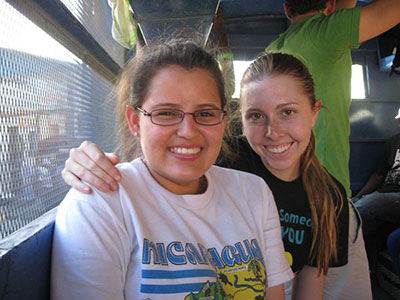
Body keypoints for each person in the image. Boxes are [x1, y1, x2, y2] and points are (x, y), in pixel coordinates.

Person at [60, 52, 351, 299]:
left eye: (287, 112)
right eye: (256, 116)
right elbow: (160, 160)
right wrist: (89, 164)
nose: (272, 132)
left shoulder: (312, 195)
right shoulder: (224, 156)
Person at [267, 0, 400, 198]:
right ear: (330, 6)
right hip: (325, 187)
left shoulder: (275, 48)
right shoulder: (328, 34)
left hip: (283, 183)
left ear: (287, 10)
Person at [354, 109, 400, 272]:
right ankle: (366, 268)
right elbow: (378, 175)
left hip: (394, 197)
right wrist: (358, 197)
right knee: (354, 206)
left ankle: (347, 254)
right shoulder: (393, 142)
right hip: (384, 194)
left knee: (366, 208)